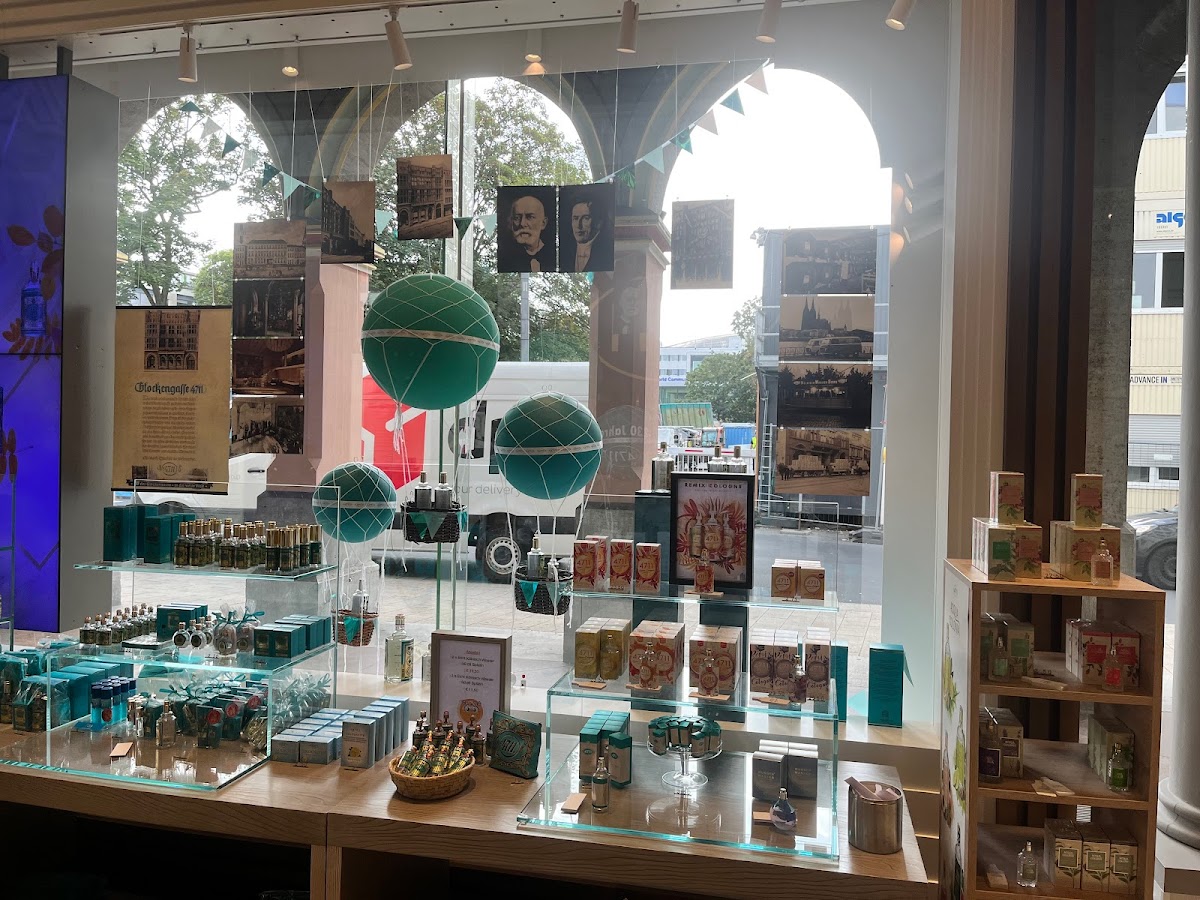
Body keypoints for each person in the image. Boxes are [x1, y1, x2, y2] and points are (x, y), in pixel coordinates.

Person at [505, 193, 555, 273]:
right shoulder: (506, 257)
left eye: (530, 217)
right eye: (517, 218)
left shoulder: (553, 255)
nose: (522, 223)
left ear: (543, 223)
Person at [561, 197, 614, 273]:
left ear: (599, 222)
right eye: (575, 218)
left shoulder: (608, 252)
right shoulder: (564, 251)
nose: (578, 225)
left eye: (586, 218)